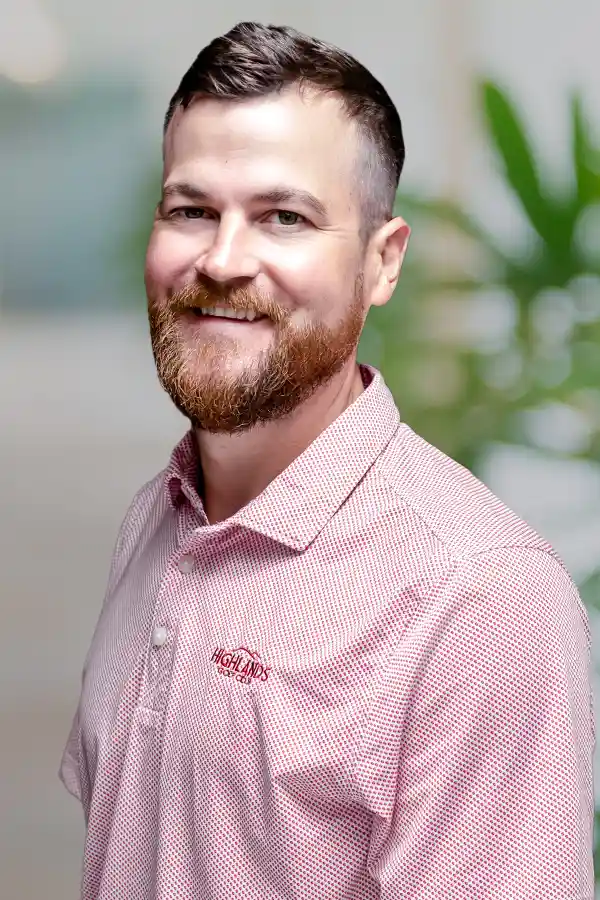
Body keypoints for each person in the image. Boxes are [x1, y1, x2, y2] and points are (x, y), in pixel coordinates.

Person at [60, 21, 596, 900]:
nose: (223, 260)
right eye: (191, 210)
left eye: (285, 217)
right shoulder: (159, 516)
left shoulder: (480, 601)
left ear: (382, 263)